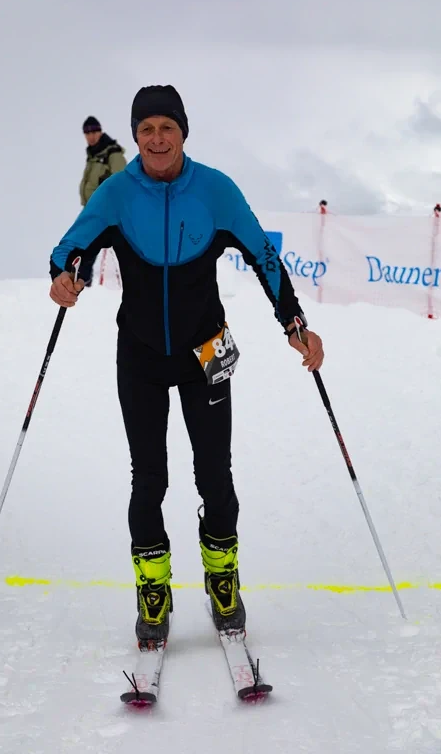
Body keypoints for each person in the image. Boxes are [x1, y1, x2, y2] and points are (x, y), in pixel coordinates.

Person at [50, 86, 324, 646]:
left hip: (207, 350)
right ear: (135, 136)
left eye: (166, 128)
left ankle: (223, 579)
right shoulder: (115, 194)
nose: (156, 139)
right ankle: (153, 588)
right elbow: (70, 250)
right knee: (148, 478)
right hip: (141, 355)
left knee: (215, 475)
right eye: (146, 129)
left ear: (183, 133)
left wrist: (294, 323)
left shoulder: (216, 190)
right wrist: (63, 277)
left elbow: (264, 256)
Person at [79, 116, 127, 207]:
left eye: (94, 132)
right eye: (87, 133)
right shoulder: (92, 157)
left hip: (107, 210)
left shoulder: (113, 153)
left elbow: (121, 184)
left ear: (100, 132)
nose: (91, 137)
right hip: (92, 209)